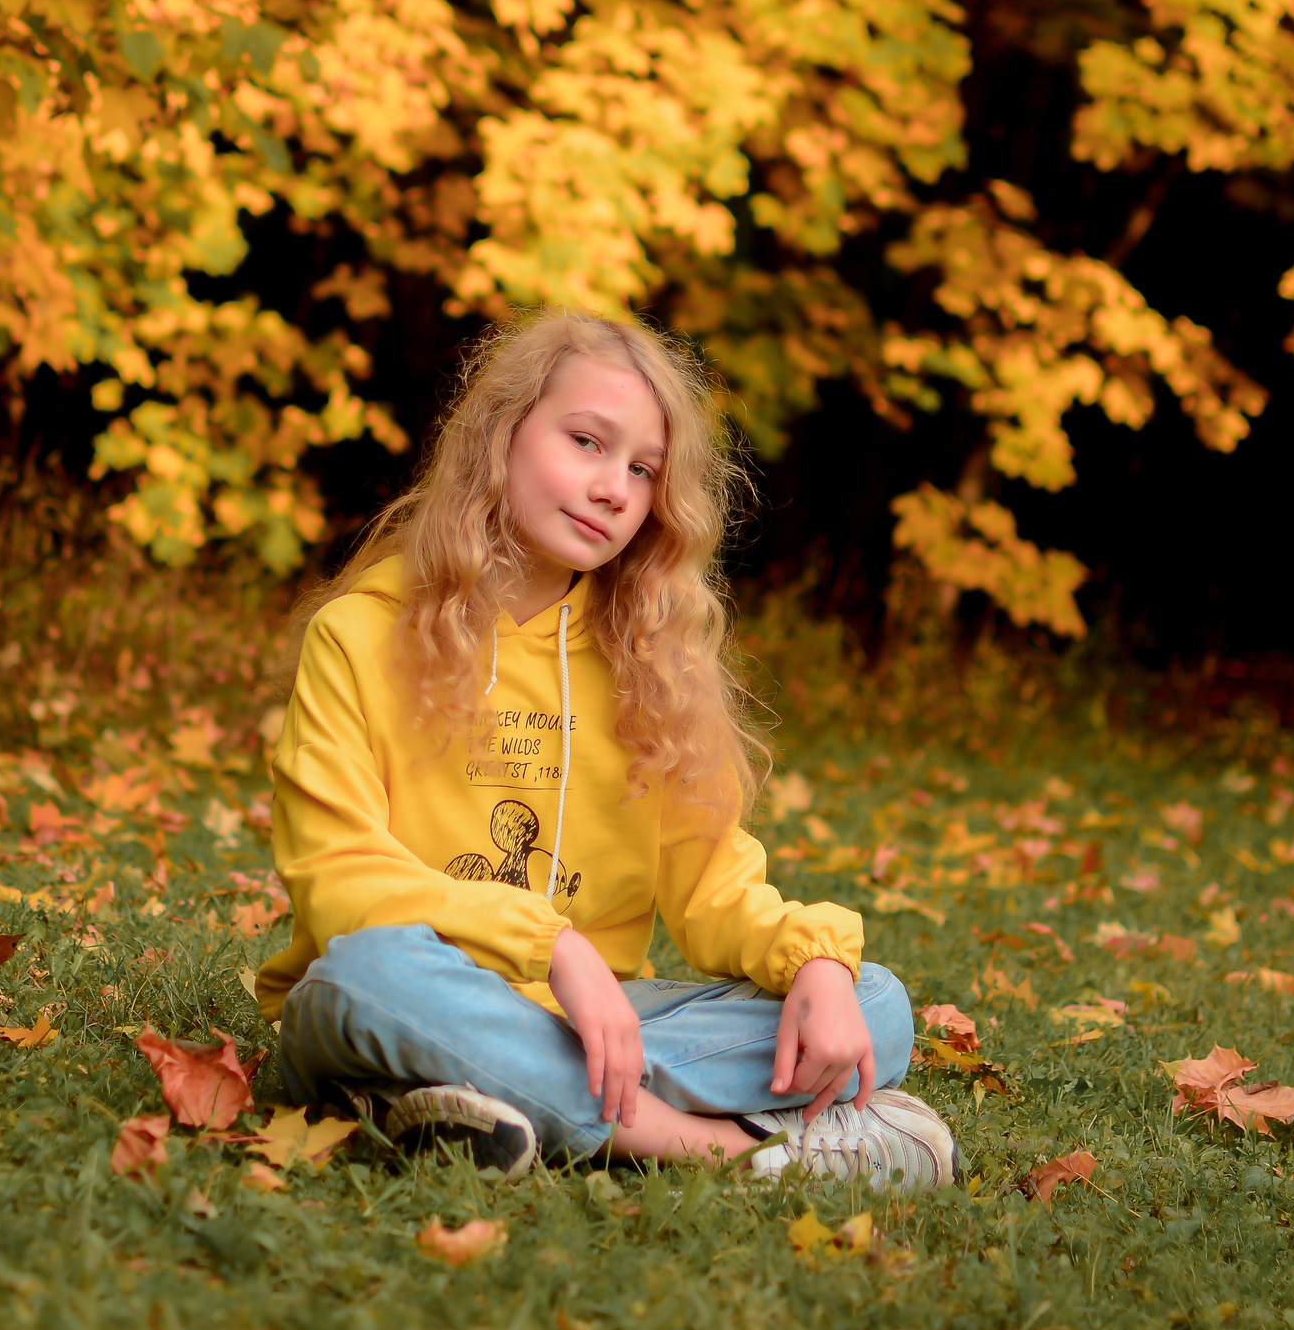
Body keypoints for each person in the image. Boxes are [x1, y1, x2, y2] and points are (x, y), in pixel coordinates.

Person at [254, 310, 957, 1185]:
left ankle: (468, 1095)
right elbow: (338, 879)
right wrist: (553, 947)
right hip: (404, 990)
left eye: (642, 469)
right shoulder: (359, 635)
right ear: (500, 435)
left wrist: (812, 960)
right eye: (586, 442)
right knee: (363, 978)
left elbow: (714, 889)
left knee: (873, 1001)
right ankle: (724, 1148)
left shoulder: (649, 661)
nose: (614, 488)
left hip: (597, 1021)